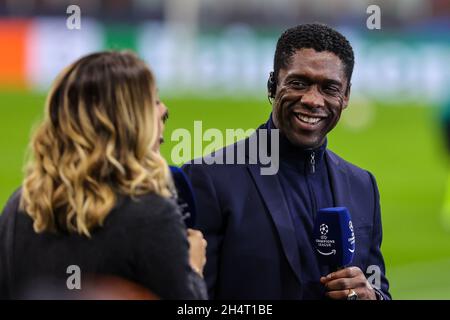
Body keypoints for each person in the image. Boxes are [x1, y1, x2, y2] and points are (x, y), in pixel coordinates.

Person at [183, 24, 390, 300]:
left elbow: (380, 288)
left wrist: (371, 296)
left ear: (347, 96)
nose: (313, 100)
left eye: (329, 88)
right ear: (273, 84)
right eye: (299, 83)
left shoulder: (363, 186)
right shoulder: (208, 178)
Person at [0, 51, 207, 300]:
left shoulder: (19, 208)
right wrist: (193, 269)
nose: (164, 109)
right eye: (152, 100)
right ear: (126, 121)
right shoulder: (152, 215)